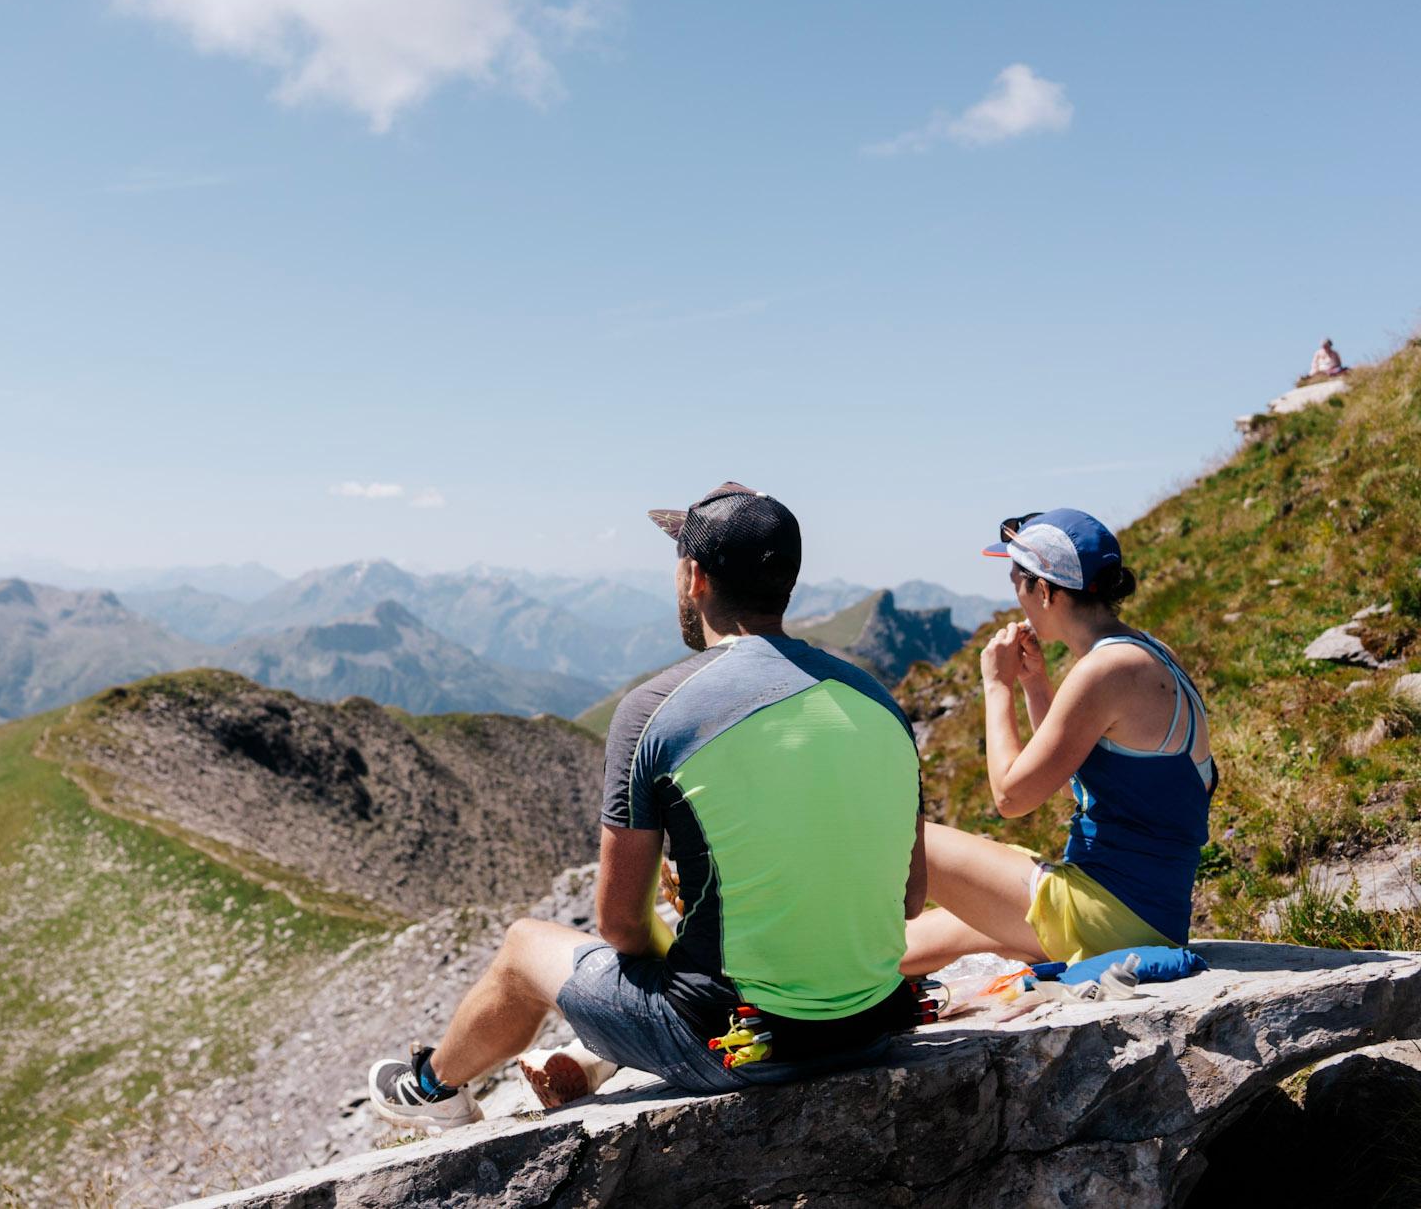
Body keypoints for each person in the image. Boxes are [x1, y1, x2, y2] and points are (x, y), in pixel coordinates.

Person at [366, 483, 927, 1131]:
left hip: (738, 1045)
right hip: (873, 1024)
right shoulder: (879, 703)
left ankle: (430, 1087)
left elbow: (620, 926)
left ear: (694, 577)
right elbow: (910, 901)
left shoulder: (656, 709)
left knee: (524, 946)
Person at [900, 509, 1216, 975]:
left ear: (1044, 590)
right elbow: (1077, 778)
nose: (1016, 599)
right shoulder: (1146, 652)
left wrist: (997, 686)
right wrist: (1035, 684)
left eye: (1016, 582)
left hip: (1107, 913)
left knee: (906, 836)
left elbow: (1011, 796)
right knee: (902, 949)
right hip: (1140, 913)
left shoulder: (1106, 671)